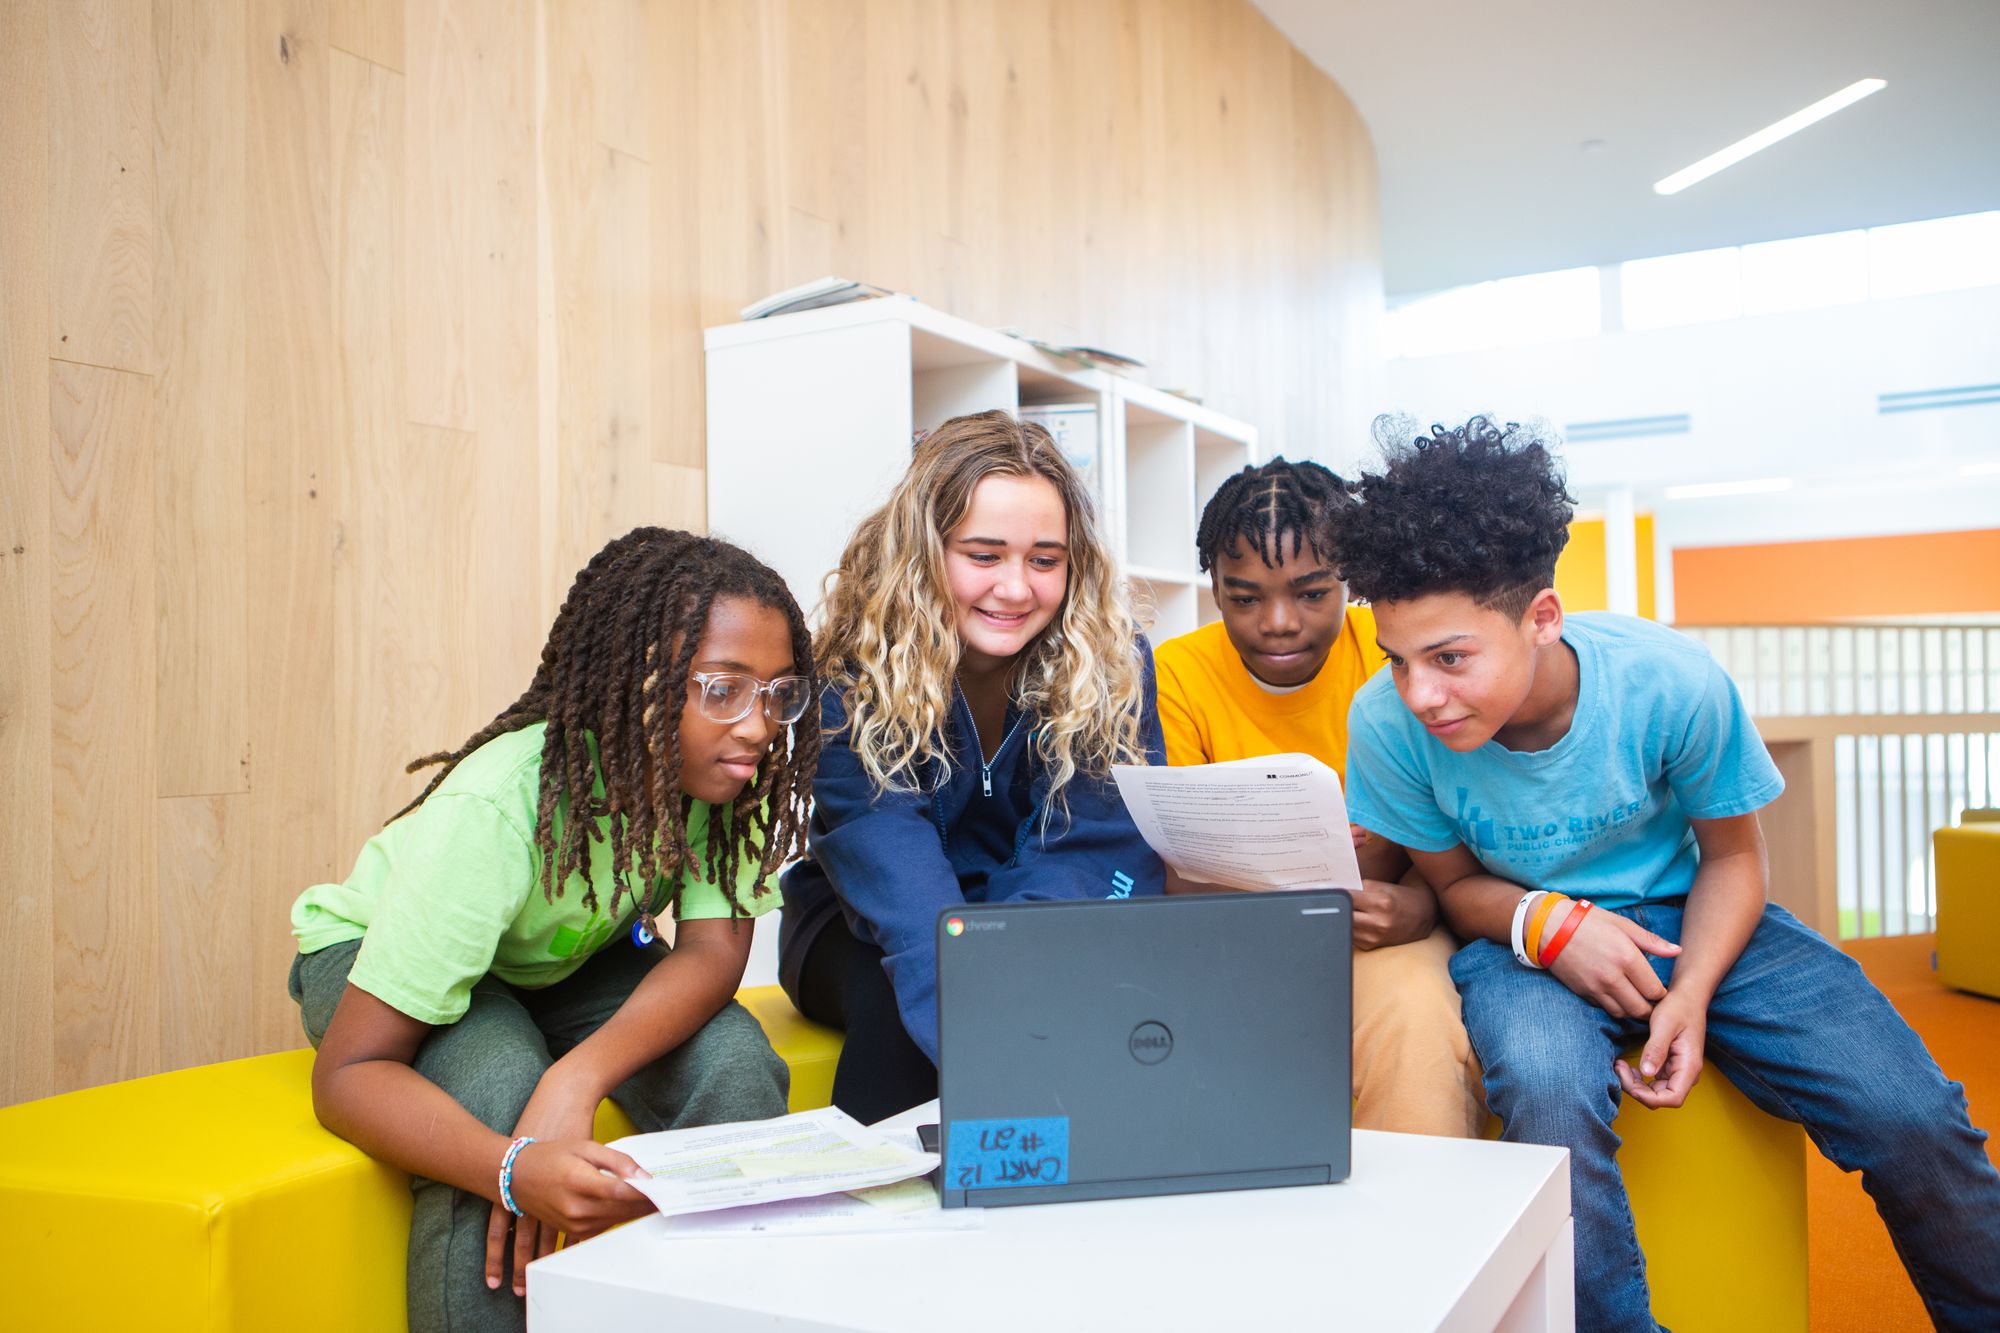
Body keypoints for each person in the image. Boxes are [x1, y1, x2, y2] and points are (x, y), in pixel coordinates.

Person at [1335, 417, 2000, 1332]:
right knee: (1545, 1092)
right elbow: (1453, 889)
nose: (1420, 694)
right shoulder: (1385, 724)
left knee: (1910, 1110)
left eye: (1450, 658)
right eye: (1397, 660)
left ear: (1541, 617)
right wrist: (1552, 927)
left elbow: (1734, 855)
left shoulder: (1669, 680)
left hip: (1697, 911)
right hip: (1522, 934)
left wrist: (1690, 990)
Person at [289, 528, 817, 1333]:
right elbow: (348, 1075)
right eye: (722, 689)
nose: (757, 726)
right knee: (498, 1084)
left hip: (563, 960)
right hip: (372, 950)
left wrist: (576, 1076)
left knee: (737, 1065)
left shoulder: (722, 779)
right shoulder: (502, 804)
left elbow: (714, 953)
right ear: (636, 680)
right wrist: (514, 1170)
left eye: (779, 694)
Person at [779, 410, 1167, 1123]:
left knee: (1108, 995)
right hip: (862, 925)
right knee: (900, 1013)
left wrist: (1028, 960)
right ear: (924, 552)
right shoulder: (848, 681)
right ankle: (877, 1212)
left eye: (1044, 559)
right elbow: (902, 891)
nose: (1016, 588)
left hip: (1030, 916)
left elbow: (1097, 847)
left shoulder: (1114, 664)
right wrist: (1000, 1040)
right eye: (984, 556)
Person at [1152, 457, 1482, 1138]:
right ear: (1213, 586)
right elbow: (1178, 875)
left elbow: (1459, 822)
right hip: (1230, 942)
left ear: (1350, 583)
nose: (1279, 621)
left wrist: (1419, 904)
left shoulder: (1397, 656)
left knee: (1416, 1017)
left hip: (1378, 935)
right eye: (1245, 597)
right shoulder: (1174, 675)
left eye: (1311, 593)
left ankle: (1420, 1229)